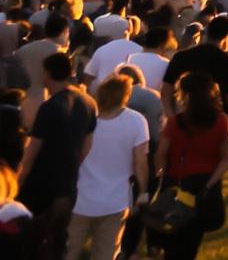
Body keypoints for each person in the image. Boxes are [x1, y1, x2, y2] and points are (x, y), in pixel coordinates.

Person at [150, 71, 228, 260]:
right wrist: (210, 184)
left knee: (173, 238)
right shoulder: (221, 120)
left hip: (177, 185)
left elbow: (161, 154)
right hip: (204, 186)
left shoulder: (175, 123)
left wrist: (160, 176)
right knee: (191, 242)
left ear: (185, 95)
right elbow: (226, 158)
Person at [20, 54, 94, 260]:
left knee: (34, 241)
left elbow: (31, 152)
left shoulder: (49, 107)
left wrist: (16, 184)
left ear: (47, 73)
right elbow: (87, 146)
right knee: (58, 241)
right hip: (68, 184)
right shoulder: (88, 103)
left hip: (40, 184)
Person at [66, 77, 146, 260]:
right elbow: (140, 161)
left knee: (70, 250)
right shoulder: (136, 121)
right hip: (115, 201)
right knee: (106, 254)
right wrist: (142, 191)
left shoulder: (85, 117)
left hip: (80, 199)